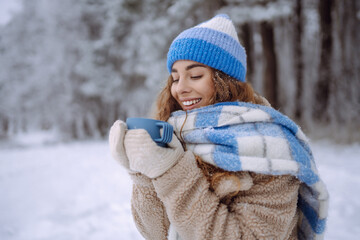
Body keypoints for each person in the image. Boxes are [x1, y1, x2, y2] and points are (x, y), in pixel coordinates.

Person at [109, 14, 328, 240]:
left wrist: (170, 171)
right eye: (175, 78)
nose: (180, 88)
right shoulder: (178, 136)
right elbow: (157, 234)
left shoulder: (271, 148)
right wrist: (142, 173)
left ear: (225, 79)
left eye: (194, 75)